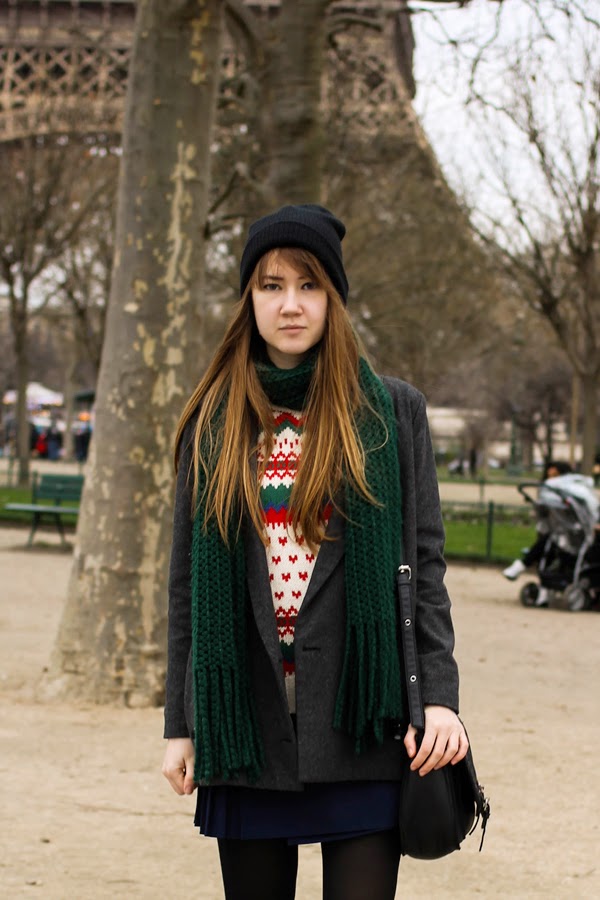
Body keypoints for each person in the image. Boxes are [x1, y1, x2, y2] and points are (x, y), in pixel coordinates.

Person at [162, 204, 468, 900]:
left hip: (362, 721)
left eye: (309, 286)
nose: (291, 305)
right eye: (271, 286)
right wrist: (180, 726)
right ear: (249, 299)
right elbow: (186, 586)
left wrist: (440, 699)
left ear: (335, 298)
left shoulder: (393, 412)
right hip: (247, 725)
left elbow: (424, 570)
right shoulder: (212, 420)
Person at [502, 460, 573, 583]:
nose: (550, 476)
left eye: (554, 474)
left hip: (567, 530)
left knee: (549, 544)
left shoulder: (570, 490)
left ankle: (522, 565)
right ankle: (528, 570)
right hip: (553, 529)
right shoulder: (547, 489)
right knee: (548, 545)